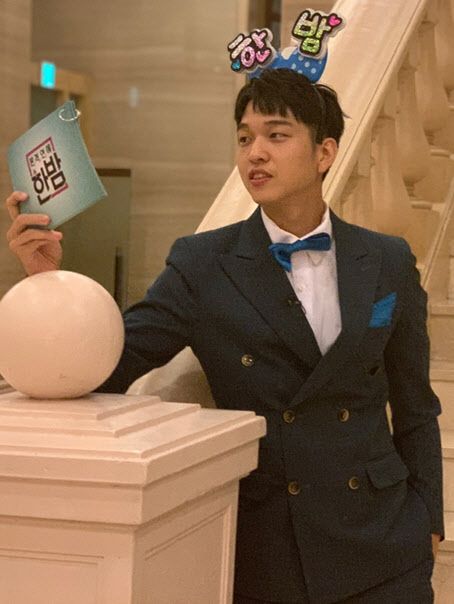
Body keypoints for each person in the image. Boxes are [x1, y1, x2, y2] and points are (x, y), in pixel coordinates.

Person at [5, 68, 443, 603]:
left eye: (276, 135)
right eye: (243, 138)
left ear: (324, 153)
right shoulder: (203, 263)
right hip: (268, 547)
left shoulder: (387, 260)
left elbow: (416, 406)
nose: (255, 153)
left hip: (384, 543)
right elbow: (109, 362)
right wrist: (48, 284)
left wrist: (429, 520)